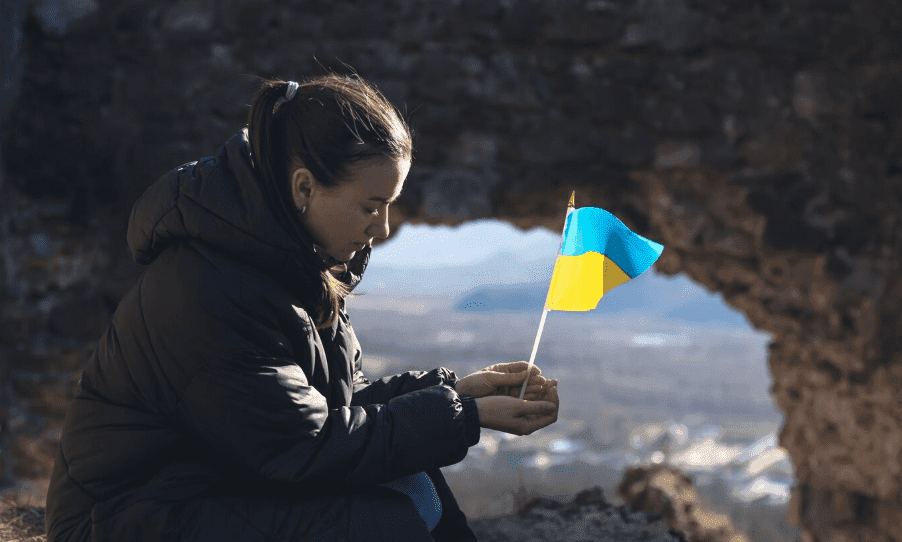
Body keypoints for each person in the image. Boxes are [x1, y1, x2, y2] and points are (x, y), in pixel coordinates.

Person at [44, 73, 560, 542]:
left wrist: (457, 391)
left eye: (389, 206)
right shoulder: (208, 286)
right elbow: (303, 447)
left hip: (217, 483)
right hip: (125, 516)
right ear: (304, 187)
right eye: (370, 206)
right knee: (381, 526)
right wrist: (464, 417)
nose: (381, 229)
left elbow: (329, 405)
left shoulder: (293, 264)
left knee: (412, 473)